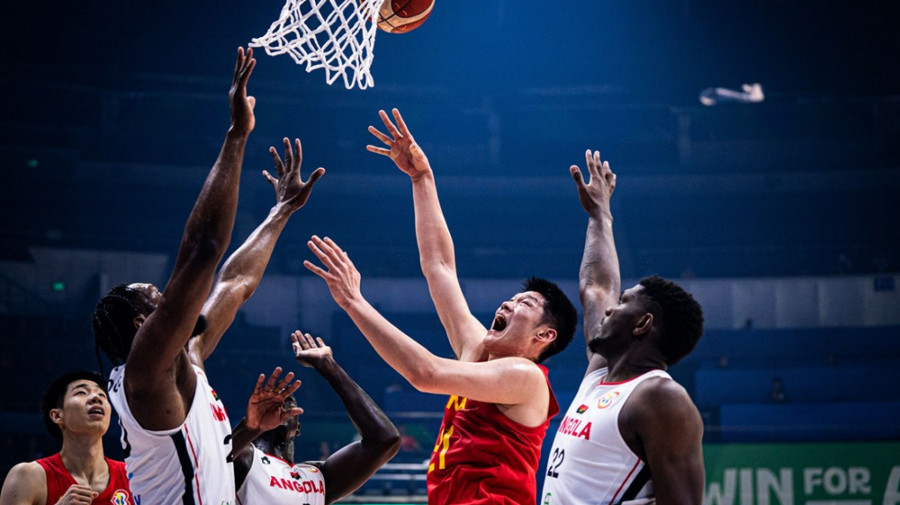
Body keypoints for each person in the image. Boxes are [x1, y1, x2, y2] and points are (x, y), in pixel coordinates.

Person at [302, 109, 578, 505]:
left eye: (525, 304)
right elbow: (439, 268)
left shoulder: (526, 376)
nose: (509, 302)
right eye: (514, 297)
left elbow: (424, 373)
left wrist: (354, 302)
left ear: (544, 336)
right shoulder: (476, 352)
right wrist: (422, 178)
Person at [90, 47, 324, 505]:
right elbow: (204, 250)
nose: (172, 297)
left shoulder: (183, 358)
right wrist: (237, 134)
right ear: (142, 325)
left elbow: (234, 285)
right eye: (158, 298)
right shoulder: (145, 369)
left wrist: (281, 212)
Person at [540, 151, 706, 505]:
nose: (611, 307)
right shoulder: (601, 373)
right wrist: (600, 215)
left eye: (624, 302)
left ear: (644, 323)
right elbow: (597, 287)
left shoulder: (660, 398)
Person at [233, 332, 400, 505]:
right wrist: (249, 428)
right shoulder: (243, 460)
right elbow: (211, 459)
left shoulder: (317, 476)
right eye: (270, 404)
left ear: (298, 427)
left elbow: (385, 439)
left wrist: (328, 366)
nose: (278, 404)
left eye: (287, 401)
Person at [0, 371, 133, 505]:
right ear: (57, 416)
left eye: (102, 395)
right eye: (81, 392)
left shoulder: (132, 476)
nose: (96, 398)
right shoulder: (27, 477)